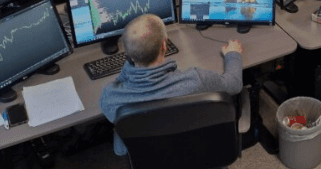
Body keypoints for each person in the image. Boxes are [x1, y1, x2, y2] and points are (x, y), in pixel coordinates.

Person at [99, 14, 243, 154]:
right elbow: (234, 84)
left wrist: (132, 61)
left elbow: (119, 86)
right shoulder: (196, 80)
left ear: (128, 54)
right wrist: (233, 54)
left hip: (148, 154)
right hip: (195, 145)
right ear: (164, 45)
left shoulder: (111, 97)